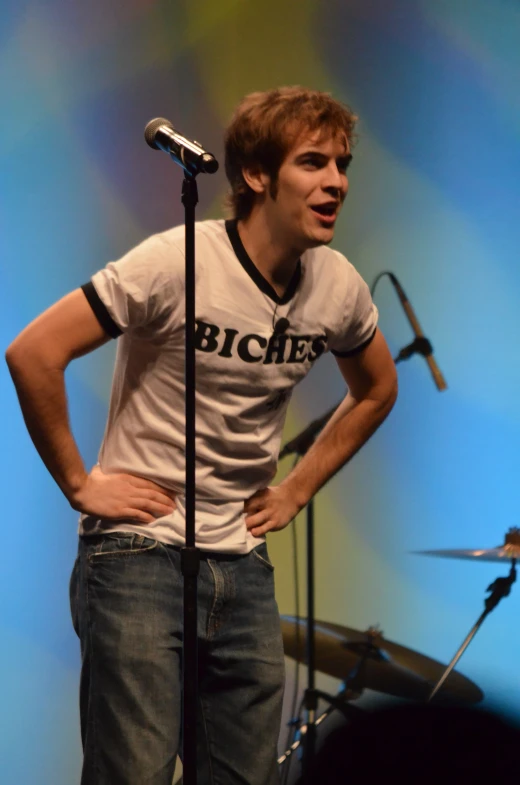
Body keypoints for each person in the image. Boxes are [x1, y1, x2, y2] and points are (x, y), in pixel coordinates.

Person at [5, 86, 398, 785]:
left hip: (243, 565)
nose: (336, 181)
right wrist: (80, 482)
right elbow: (34, 351)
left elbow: (377, 388)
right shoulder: (176, 259)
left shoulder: (337, 285)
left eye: (342, 164)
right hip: (137, 555)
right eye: (313, 163)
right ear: (256, 175)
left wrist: (298, 488)